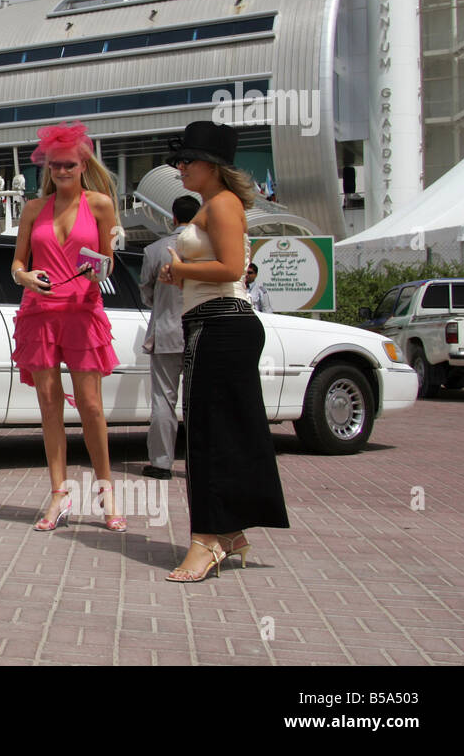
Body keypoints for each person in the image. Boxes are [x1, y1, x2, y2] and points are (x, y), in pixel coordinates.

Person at [159, 120, 289, 582]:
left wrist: (181, 268)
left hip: (223, 324)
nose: (180, 167)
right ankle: (228, 533)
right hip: (210, 324)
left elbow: (234, 266)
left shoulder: (225, 204)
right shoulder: (211, 205)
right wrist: (181, 273)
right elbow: (214, 265)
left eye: (187, 160)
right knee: (217, 432)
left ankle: (207, 539)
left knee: (209, 437)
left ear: (210, 165)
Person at [10, 121, 125, 532]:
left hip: (82, 309)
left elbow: (108, 260)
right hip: (39, 310)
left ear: (83, 164)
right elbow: (18, 262)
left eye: (69, 165)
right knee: (48, 404)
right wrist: (24, 276)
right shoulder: (32, 210)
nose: (62, 172)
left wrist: (98, 271)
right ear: (47, 168)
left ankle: (106, 490)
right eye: (55, 166)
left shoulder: (100, 204)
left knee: (91, 406)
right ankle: (59, 493)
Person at [138, 195, 201, 480]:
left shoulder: (155, 250)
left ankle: (162, 463)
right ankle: (201, 464)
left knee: (164, 400)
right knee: (198, 401)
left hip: (165, 332)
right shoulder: (208, 247)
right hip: (200, 332)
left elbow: (146, 292)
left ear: (172, 218)